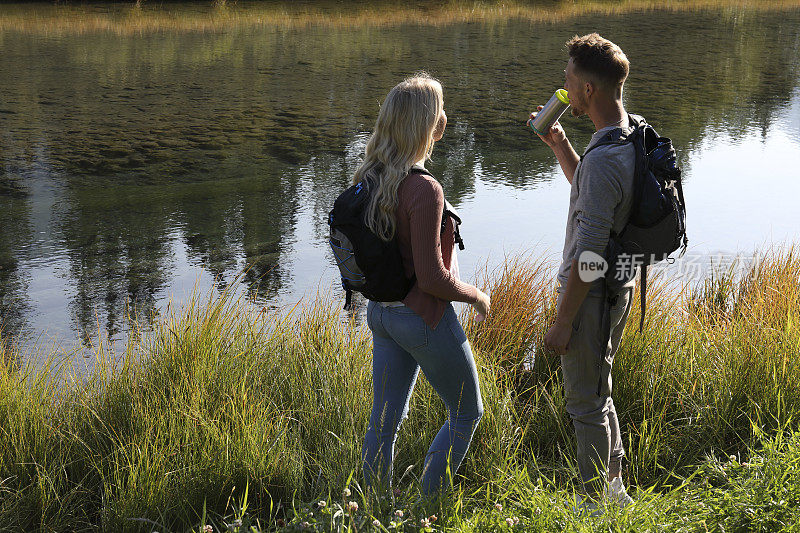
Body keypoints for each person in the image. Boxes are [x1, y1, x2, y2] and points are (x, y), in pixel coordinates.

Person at [358, 74, 491, 496]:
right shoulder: (423, 188)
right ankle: (425, 508)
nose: (445, 119)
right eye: (438, 113)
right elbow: (432, 277)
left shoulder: (369, 178)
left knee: (384, 420)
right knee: (466, 413)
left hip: (381, 314)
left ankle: (374, 508)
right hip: (421, 318)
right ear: (426, 125)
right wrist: (476, 295)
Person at [531, 33, 637, 509]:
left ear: (588, 90)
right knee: (601, 390)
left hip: (591, 293)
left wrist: (562, 321)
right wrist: (561, 147)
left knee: (584, 403)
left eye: (569, 80)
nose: (565, 88)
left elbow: (589, 256)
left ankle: (595, 505)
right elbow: (595, 198)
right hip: (621, 285)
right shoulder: (629, 133)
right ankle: (616, 495)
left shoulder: (604, 161)